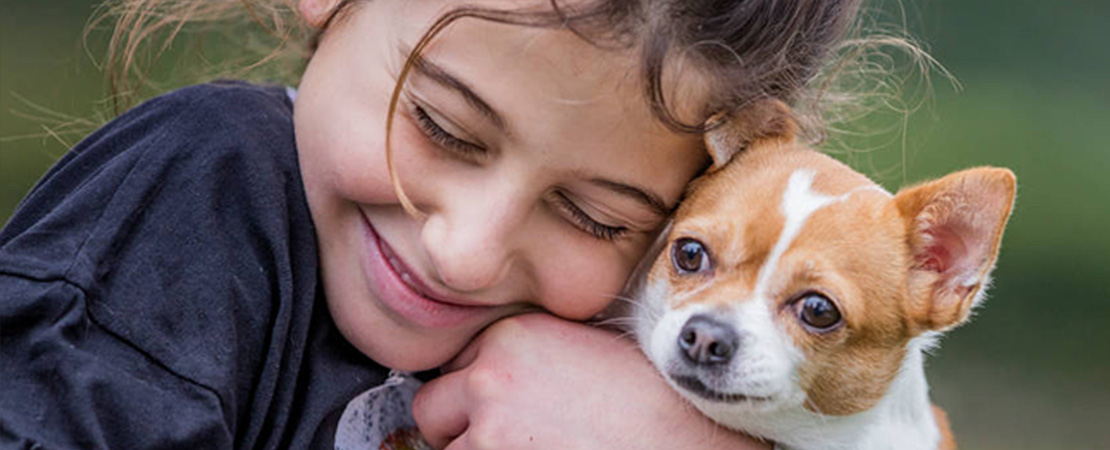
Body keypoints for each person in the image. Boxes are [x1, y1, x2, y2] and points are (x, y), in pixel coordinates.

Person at [0, 0, 899, 447]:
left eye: (593, 216)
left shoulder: (664, 344)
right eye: (443, 128)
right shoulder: (201, 193)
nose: (463, 255)